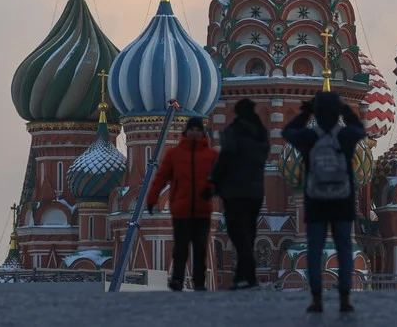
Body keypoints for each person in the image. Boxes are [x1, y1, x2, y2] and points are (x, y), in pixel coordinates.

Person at [282, 91, 366, 313]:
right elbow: (360, 130)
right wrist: (346, 110)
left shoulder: (310, 138)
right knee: (345, 249)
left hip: (316, 200)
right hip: (342, 200)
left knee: (315, 249)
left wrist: (306, 112)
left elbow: (287, 131)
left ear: (317, 114)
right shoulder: (345, 137)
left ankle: (317, 298)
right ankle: (345, 299)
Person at [146, 115, 219, 291]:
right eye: (192, 129)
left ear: (202, 132)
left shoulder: (212, 155)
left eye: (198, 129)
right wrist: (152, 198)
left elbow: (221, 176)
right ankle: (177, 279)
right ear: (186, 131)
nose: (195, 132)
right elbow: (161, 178)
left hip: (202, 209)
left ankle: (199, 282)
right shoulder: (174, 154)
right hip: (182, 209)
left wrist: (213, 189)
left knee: (200, 248)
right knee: (180, 248)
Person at [209, 97, 270, 290]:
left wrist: (214, 182)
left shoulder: (233, 133)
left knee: (237, 233)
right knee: (249, 234)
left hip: (235, 191)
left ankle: (248, 275)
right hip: (256, 191)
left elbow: (226, 159)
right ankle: (240, 277)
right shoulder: (261, 135)